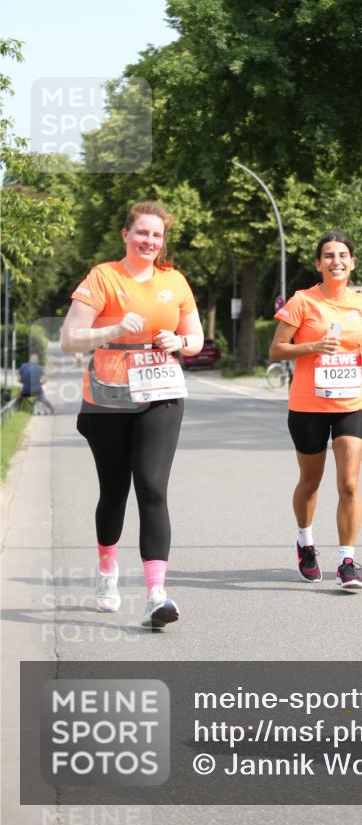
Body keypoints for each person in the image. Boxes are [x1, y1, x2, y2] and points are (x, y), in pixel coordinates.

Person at [60, 201, 204, 629]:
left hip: (160, 393)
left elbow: (195, 337)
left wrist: (180, 343)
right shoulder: (104, 277)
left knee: (152, 487)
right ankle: (107, 574)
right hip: (108, 397)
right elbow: (70, 338)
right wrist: (115, 328)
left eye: (157, 236)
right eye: (142, 233)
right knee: (114, 490)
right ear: (126, 234)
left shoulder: (174, 281)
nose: (150, 242)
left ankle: (155, 595)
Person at [269, 232, 362, 591]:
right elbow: (277, 350)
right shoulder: (302, 302)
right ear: (319, 264)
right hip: (308, 403)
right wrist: (313, 345)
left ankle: (347, 561)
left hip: (353, 400)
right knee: (311, 483)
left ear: (353, 262)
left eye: (343, 255)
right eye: (329, 255)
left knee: (349, 482)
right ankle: (305, 542)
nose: (337, 261)